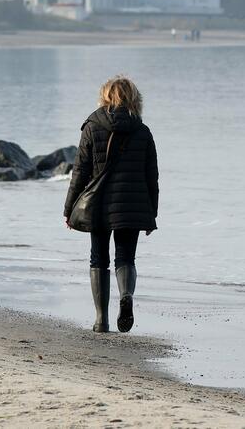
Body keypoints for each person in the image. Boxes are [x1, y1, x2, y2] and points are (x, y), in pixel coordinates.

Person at [64, 76, 159, 333]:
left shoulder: (92, 126)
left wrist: (69, 209)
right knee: (126, 257)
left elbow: (79, 172)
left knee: (99, 258)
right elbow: (152, 176)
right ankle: (125, 295)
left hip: (99, 204)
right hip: (133, 204)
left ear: (105, 97)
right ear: (134, 99)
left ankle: (100, 320)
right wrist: (151, 213)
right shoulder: (143, 131)